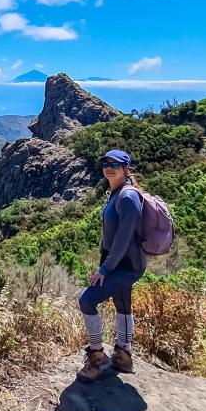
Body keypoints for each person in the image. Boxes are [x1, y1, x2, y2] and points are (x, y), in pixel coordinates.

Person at [76, 149, 146, 382]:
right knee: (123, 304)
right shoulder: (117, 192)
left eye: (115, 163)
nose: (108, 166)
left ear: (126, 168)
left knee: (87, 299)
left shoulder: (127, 197)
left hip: (125, 265)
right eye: (105, 162)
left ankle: (98, 356)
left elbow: (124, 239)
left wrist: (105, 269)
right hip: (121, 262)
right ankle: (124, 357)